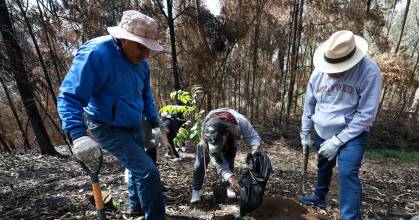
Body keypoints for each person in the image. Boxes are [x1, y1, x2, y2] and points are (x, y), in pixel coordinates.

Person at [57, 10, 166, 219]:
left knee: (138, 168)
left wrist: (155, 124)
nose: (146, 54)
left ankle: (136, 207)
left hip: (134, 122)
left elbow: (146, 96)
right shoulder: (96, 54)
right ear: (124, 38)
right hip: (106, 126)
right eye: (142, 47)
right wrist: (78, 134)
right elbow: (69, 96)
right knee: (148, 170)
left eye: (149, 49)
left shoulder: (142, 62)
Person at [299, 30, 382, 220]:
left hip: (353, 133)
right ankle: (319, 197)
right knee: (323, 166)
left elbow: (366, 114)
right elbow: (309, 104)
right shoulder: (318, 72)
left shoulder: (369, 72)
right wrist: (305, 132)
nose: (330, 72)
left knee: (347, 173)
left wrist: (338, 141)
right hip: (323, 129)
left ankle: (350, 217)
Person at [190, 108, 262, 203]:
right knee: (200, 163)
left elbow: (253, 137)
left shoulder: (241, 122)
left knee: (229, 157)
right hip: (206, 141)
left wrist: (254, 148)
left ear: (226, 134)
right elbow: (220, 164)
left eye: (220, 142)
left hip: (231, 139)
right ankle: (196, 190)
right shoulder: (207, 130)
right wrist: (232, 179)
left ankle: (228, 186)